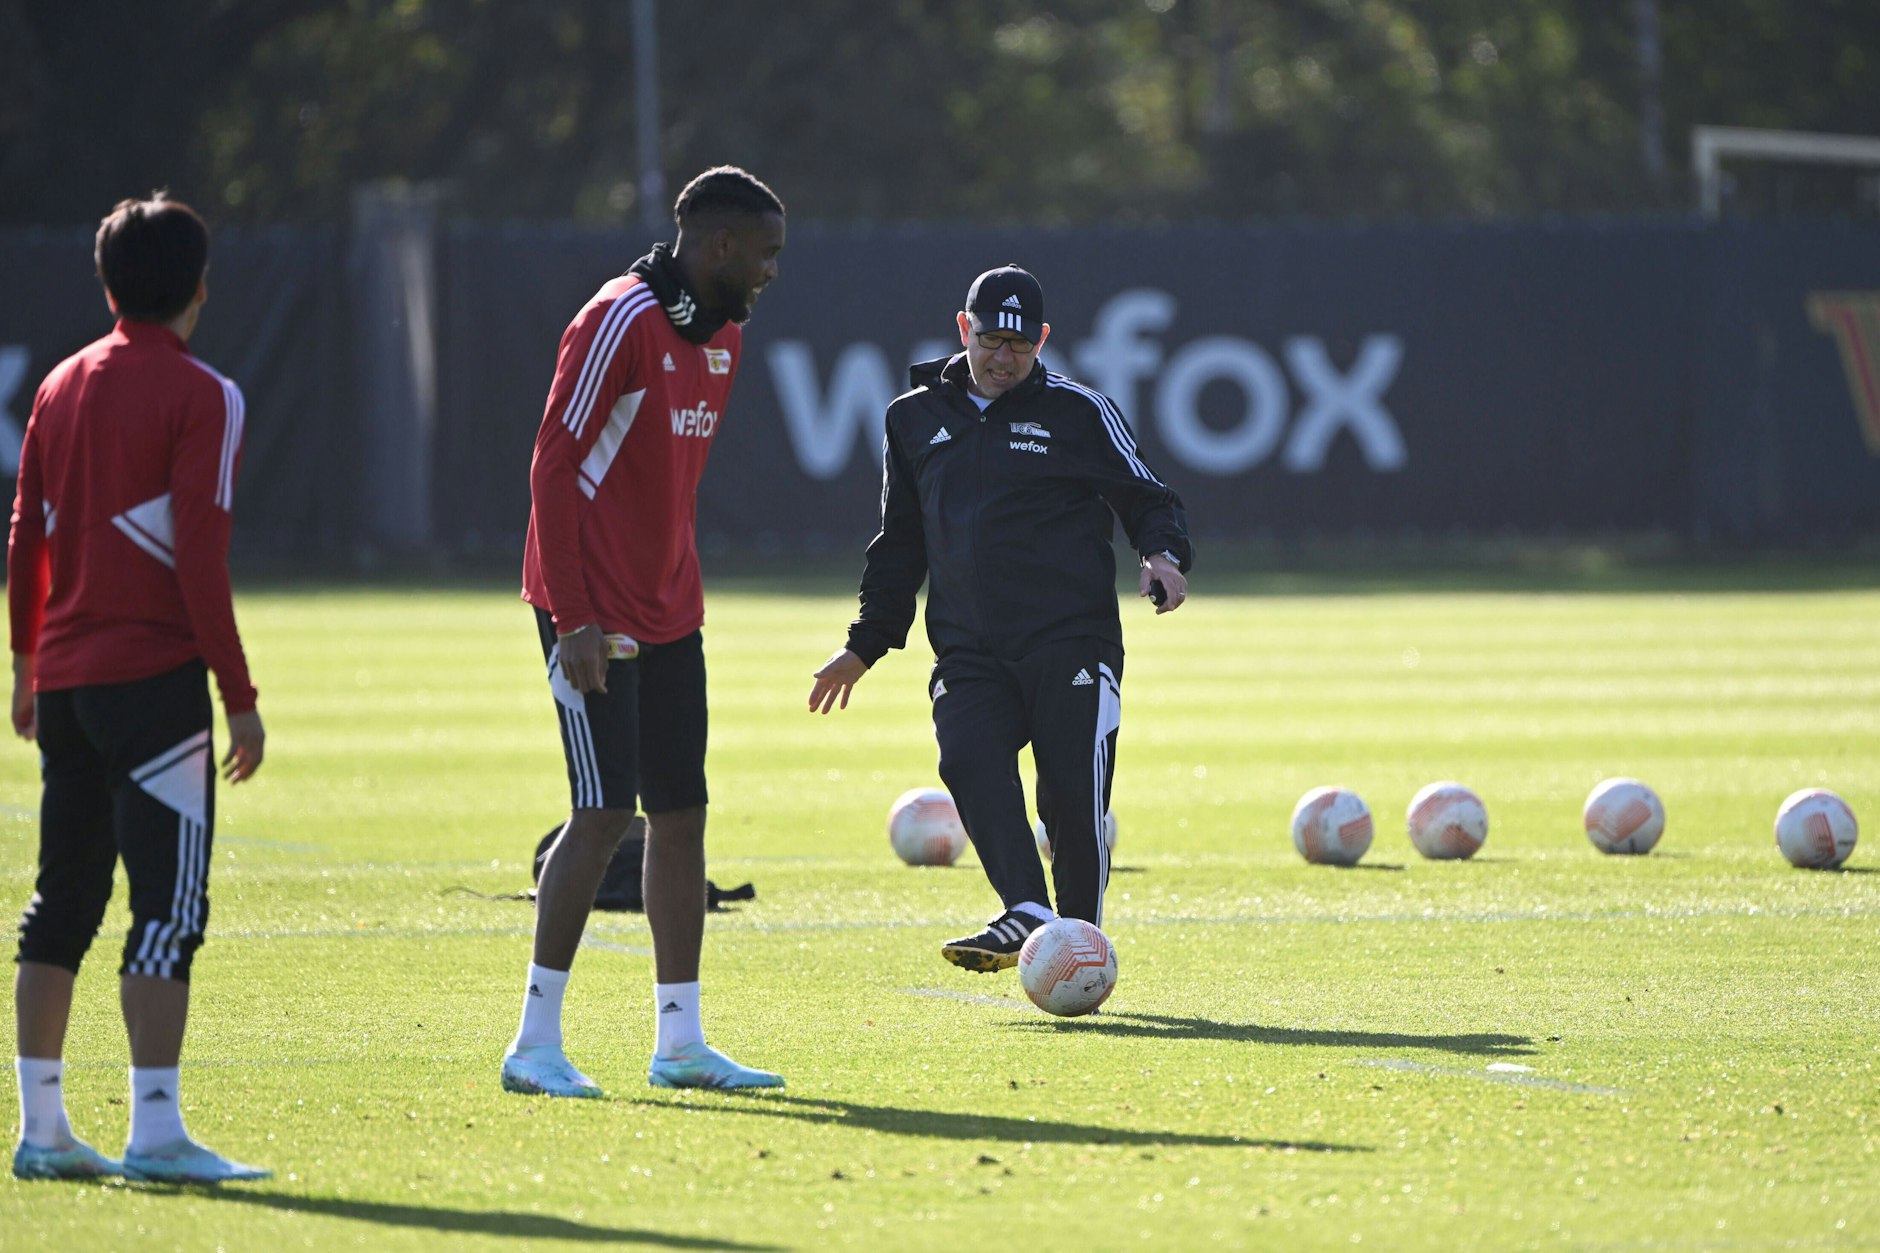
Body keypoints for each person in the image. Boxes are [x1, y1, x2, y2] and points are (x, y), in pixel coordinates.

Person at [808, 264, 1192, 971]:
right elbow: (898, 546)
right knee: (969, 760)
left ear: (1042, 340)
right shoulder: (911, 419)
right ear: (964, 329)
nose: (1003, 356)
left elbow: (1147, 497)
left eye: (1019, 344)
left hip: (1072, 642)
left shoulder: (1080, 412)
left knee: (1072, 804)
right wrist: (863, 646)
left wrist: (1162, 556)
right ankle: (1029, 908)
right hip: (970, 651)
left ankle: (1079, 952)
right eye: (990, 339)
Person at [506, 166, 788, 1097]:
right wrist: (575, 615)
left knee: (682, 818)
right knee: (600, 815)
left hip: (671, 608)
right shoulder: (619, 317)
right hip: (591, 610)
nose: (770, 273)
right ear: (719, 247)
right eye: (764, 254)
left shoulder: (726, 337)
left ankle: (680, 1042)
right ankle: (535, 1043)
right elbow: (553, 461)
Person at [8, 194, 269, 1183]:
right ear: (200, 286)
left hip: (67, 684)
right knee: (165, 909)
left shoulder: (60, 385)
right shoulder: (206, 395)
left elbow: (25, 534)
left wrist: (28, 663)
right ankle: (154, 1132)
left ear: (107, 282)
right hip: (155, 685)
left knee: (59, 903)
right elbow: (199, 558)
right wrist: (238, 693)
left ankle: (43, 1129)